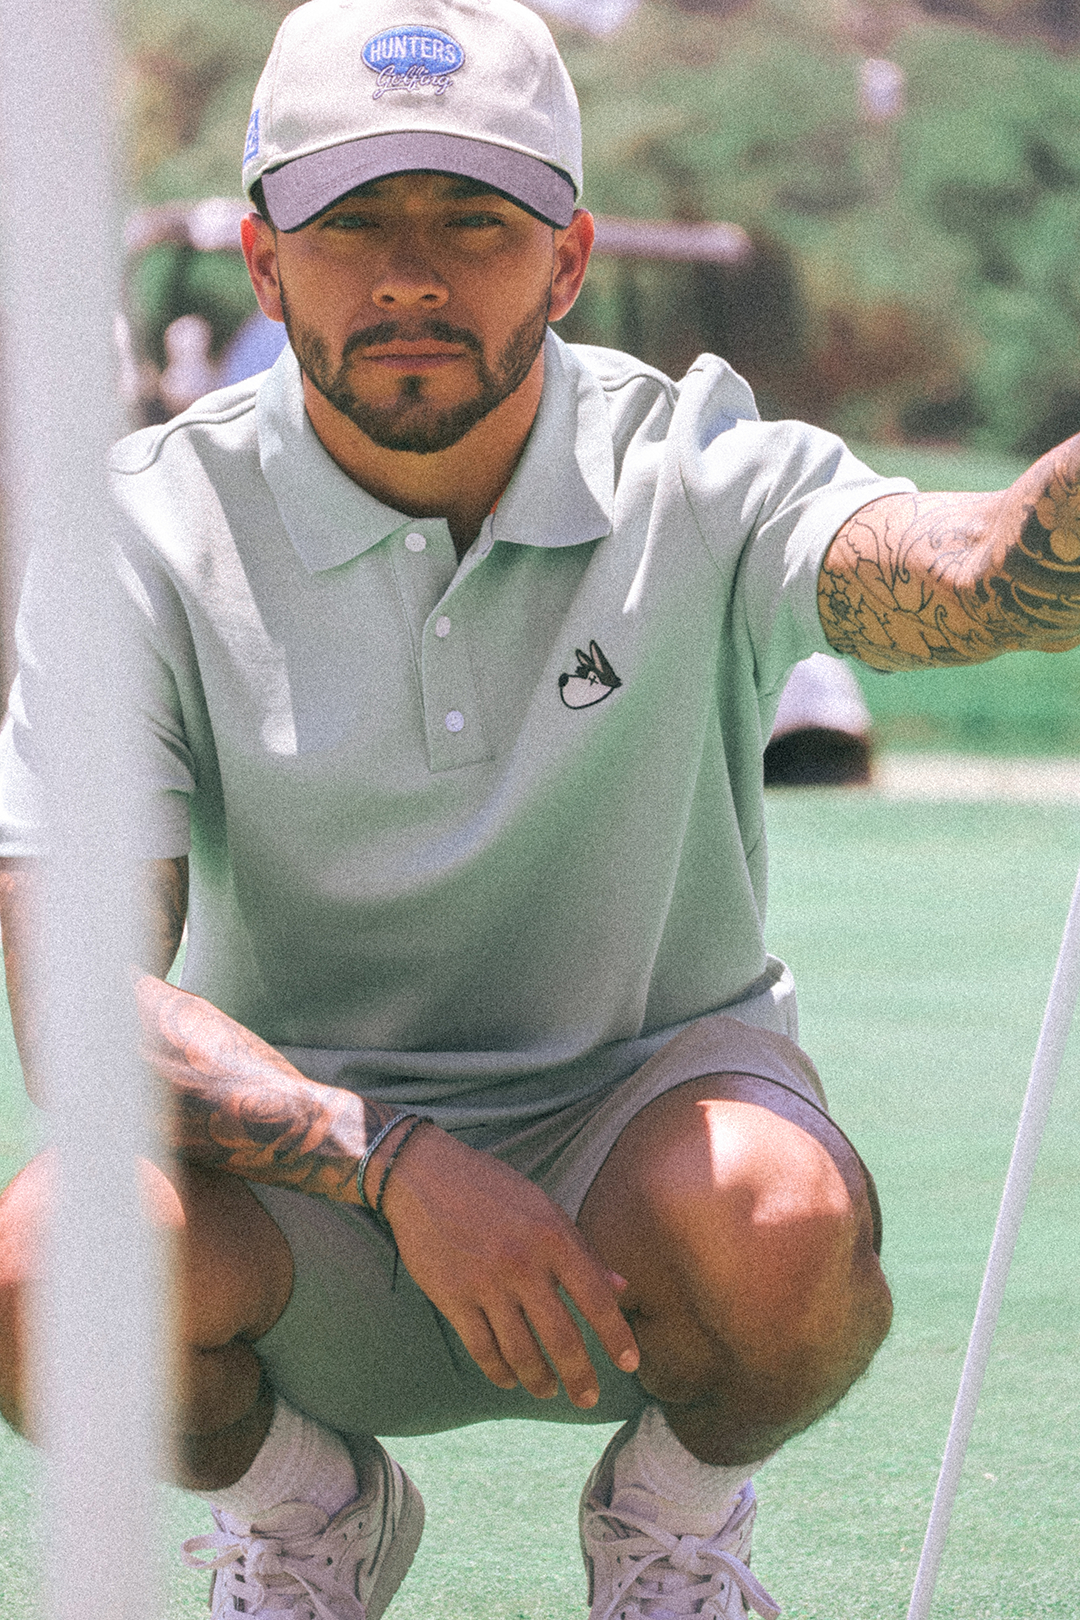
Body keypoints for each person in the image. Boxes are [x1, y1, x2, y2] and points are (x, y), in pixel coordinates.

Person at [0, 1, 1077, 1615]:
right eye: (350, 221)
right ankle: (309, 1518)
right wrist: (400, 1167)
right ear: (263, 261)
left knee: (787, 1219)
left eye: (472, 222)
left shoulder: (697, 463)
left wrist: (1046, 530)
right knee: (46, 1266)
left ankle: (670, 1522)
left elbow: (965, 571)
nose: (412, 275)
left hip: (638, 1169)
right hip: (304, 1199)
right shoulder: (134, 534)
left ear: (567, 262)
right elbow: (78, 1011)